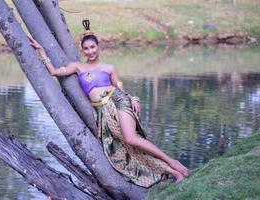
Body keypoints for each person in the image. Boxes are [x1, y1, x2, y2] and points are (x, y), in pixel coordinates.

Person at [29, 19, 188, 188]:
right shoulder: (77, 67)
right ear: (82, 50)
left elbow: (120, 89)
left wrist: (133, 98)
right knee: (126, 146)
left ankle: (173, 162)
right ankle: (172, 171)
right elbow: (54, 71)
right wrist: (41, 50)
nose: (90, 51)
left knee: (132, 138)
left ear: (98, 47)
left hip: (118, 101)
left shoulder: (109, 67)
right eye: (86, 48)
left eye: (93, 47)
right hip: (103, 111)